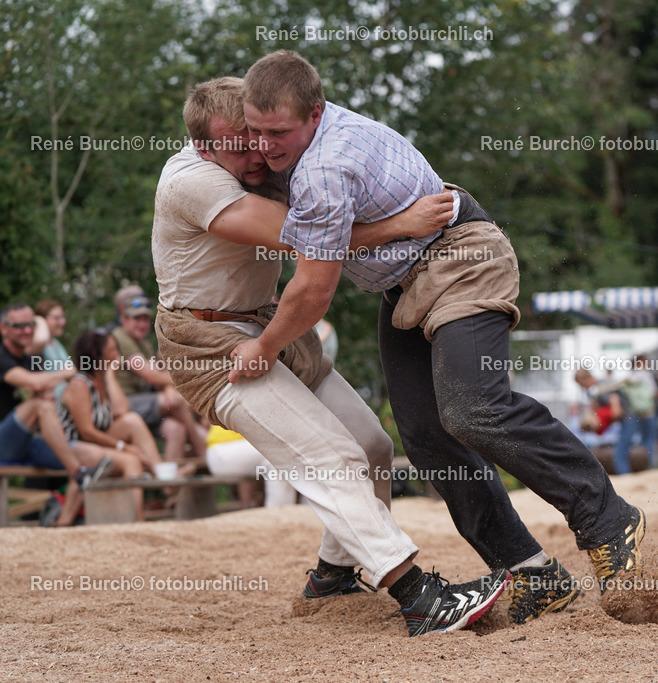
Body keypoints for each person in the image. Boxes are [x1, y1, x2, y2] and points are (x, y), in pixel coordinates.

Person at [234, 50, 645, 611]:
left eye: (277, 132)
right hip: (405, 282)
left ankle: (606, 517)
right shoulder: (307, 144)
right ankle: (529, 571)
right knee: (428, 437)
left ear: (315, 114)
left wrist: (264, 347)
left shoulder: (326, 165)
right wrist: (397, 225)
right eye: (254, 132)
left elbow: (313, 289)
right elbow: (328, 244)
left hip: (459, 258)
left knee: (474, 409)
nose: (264, 146)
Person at [151, 76, 508, 636]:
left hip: (267, 327)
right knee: (330, 455)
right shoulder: (190, 181)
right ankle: (418, 598)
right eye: (236, 146)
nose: (255, 155)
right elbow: (305, 239)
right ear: (203, 147)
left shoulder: (262, 159)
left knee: (370, 447)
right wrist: (403, 224)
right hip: (208, 345)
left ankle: (334, 575)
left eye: (257, 139)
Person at [0, 302, 113, 526]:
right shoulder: (2, 355)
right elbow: (32, 382)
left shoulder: (32, 358)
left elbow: (43, 388)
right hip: (4, 443)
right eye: (18, 326)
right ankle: (77, 474)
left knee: (97, 456)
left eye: (30, 324)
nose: (26, 330)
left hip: (27, 442)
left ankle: (63, 523)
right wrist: (63, 374)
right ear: (4, 329)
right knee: (39, 406)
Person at [58, 329, 159, 522]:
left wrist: (111, 376)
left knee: (133, 421)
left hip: (97, 444)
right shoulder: (79, 384)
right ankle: (137, 521)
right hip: (75, 447)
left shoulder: (103, 381)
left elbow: (123, 411)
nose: (118, 356)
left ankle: (163, 475)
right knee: (131, 460)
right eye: (112, 351)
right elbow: (86, 432)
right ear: (96, 355)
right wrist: (125, 447)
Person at [110, 295, 208, 462]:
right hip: (123, 404)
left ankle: (170, 483)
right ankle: (203, 451)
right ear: (124, 319)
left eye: (145, 319)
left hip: (142, 403)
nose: (142, 324)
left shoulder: (144, 344)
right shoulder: (120, 338)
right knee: (180, 401)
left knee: (176, 429)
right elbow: (150, 374)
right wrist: (191, 381)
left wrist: (169, 389)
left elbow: (159, 377)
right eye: (136, 319)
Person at [205, 425, 299, 507]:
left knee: (280, 455)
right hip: (224, 450)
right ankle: (279, 515)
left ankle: (281, 513)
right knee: (279, 455)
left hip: (225, 451)